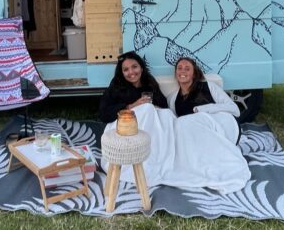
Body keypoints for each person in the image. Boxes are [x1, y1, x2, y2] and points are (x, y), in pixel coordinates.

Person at [100, 55, 250, 194]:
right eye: (179, 68)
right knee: (182, 125)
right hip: (139, 127)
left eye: (187, 68)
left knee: (185, 123)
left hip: (221, 126)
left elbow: (234, 109)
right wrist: (135, 107)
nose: (131, 72)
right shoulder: (173, 98)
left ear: (194, 73)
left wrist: (201, 110)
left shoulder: (208, 87)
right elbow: (171, 124)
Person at [98, 52, 168, 123]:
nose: (131, 72)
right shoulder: (116, 87)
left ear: (141, 68)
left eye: (134, 67)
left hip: (149, 123)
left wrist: (152, 107)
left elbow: (164, 106)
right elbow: (103, 114)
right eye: (126, 69)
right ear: (122, 73)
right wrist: (131, 106)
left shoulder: (149, 83)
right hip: (125, 125)